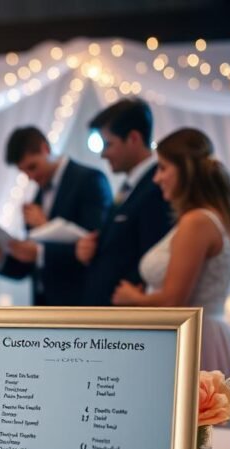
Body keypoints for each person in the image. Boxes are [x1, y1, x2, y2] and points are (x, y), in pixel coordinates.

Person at [111, 128, 230, 374]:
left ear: (185, 171)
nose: (156, 178)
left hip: (196, 340)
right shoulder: (217, 216)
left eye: (162, 168)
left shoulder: (197, 222)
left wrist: (133, 298)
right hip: (206, 333)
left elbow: (173, 301)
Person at [0, 126, 111, 306]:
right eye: (24, 172)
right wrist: (0, 255)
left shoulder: (90, 180)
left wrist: (45, 226)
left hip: (80, 302)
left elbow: (95, 247)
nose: (31, 176)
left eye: (33, 167)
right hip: (43, 305)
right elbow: (30, 265)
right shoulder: (37, 197)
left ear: (45, 149)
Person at [76, 98, 174, 306]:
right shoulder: (130, 186)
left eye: (108, 144)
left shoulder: (157, 190)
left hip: (126, 318)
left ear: (133, 138)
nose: (103, 154)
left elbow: (153, 258)